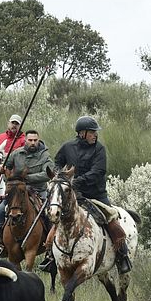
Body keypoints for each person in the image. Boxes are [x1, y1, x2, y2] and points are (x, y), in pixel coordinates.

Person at [38, 116, 133, 275]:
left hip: (96, 194)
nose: (95, 135)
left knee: (111, 219)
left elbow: (98, 171)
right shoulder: (67, 147)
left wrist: (77, 181)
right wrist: (61, 176)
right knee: (57, 220)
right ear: (82, 133)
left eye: (95, 132)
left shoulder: (99, 149)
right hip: (72, 194)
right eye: (92, 132)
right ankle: (51, 256)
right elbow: (57, 162)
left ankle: (123, 256)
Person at [0, 130, 53, 257]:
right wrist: (2, 168)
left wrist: (27, 178)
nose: (33, 143)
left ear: (38, 141)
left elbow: (48, 173)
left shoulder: (45, 156)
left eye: (35, 140)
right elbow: (5, 167)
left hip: (38, 191)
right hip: (17, 191)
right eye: (30, 140)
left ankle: (50, 247)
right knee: (0, 212)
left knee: (49, 214)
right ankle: (1, 244)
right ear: (25, 141)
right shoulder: (15, 154)